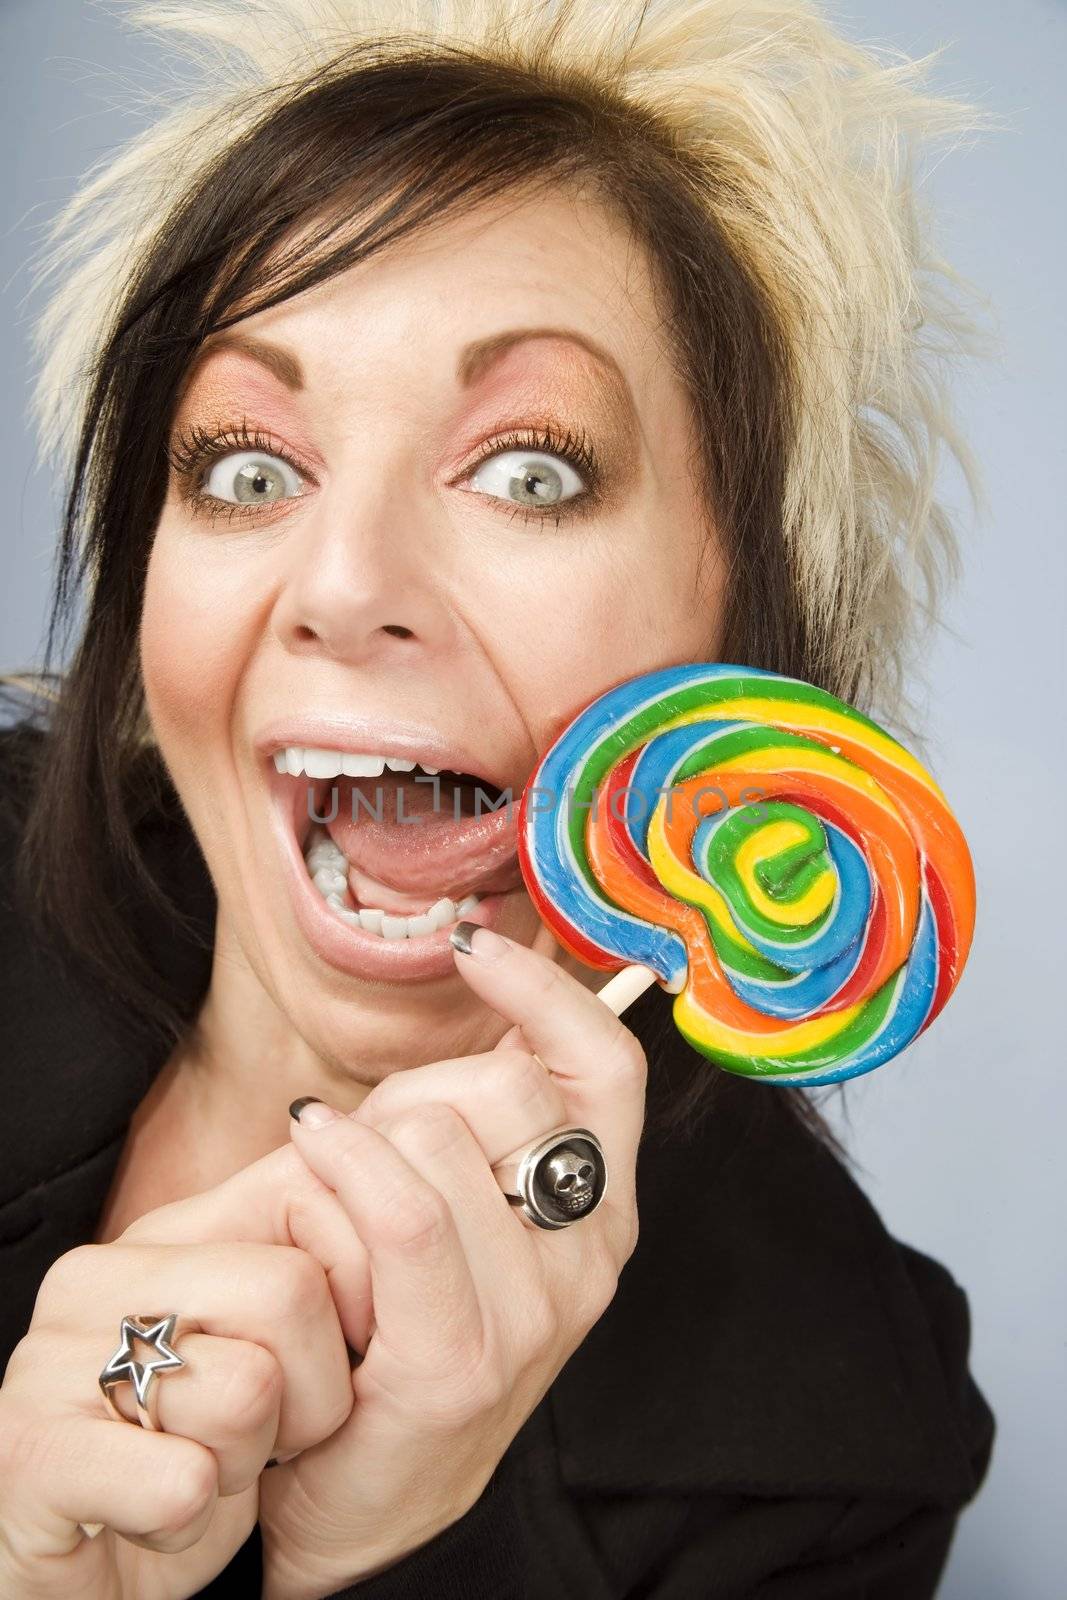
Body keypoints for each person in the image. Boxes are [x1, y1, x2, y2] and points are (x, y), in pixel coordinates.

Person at [0, 1, 995, 1595]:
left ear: (742, 630)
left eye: (530, 469)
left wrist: (359, 1564)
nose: (342, 583)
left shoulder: (830, 1441)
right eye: (246, 467)